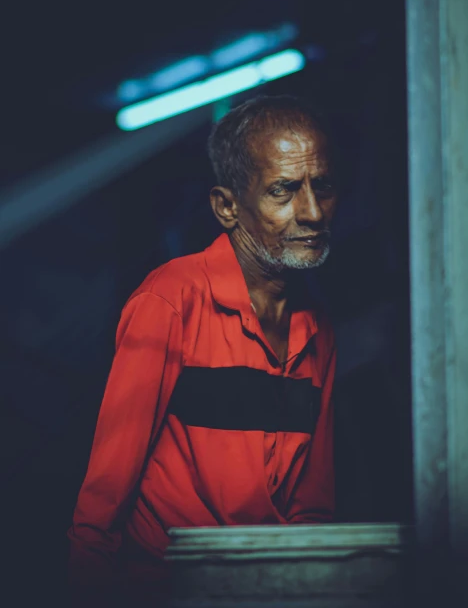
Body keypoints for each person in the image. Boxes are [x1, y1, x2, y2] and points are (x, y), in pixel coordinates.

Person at [68, 94, 338, 598]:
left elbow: (312, 507)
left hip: (269, 591)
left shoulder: (315, 328)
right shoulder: (170, 300)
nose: (312, 212)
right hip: (166, 589)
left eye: (320, 186)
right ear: (227, 206)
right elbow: (104, 497)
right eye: (283, 190)